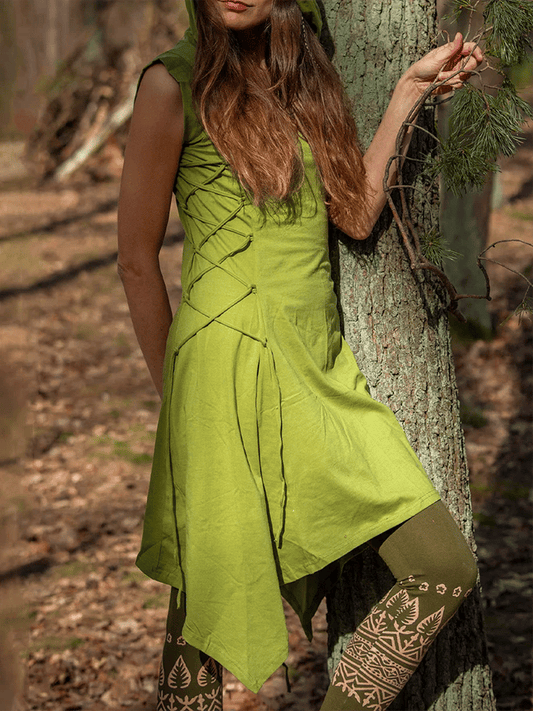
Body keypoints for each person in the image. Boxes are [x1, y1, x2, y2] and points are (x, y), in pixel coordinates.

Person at [117, 0, 483, 708]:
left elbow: (354, 211)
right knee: (205, 601)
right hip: (219, 367)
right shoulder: (171, 85)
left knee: (440, 564)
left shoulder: (306, 80)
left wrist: (408, 90)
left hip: (318, 371)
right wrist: (180, 394)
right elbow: (136, 259)